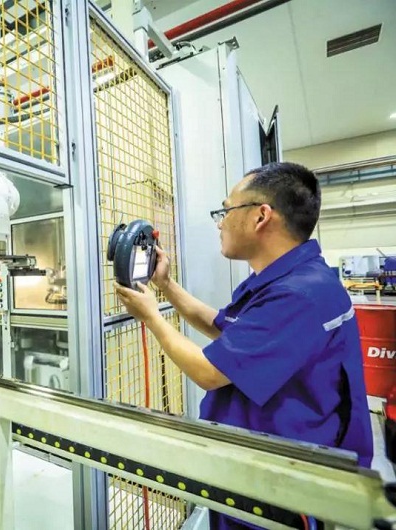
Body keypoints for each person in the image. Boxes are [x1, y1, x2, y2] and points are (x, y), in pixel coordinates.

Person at [115, 162, 374, 530]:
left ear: (260, 216)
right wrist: (166, 286)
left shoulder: (298, 295)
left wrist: (151, 317)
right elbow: (223, 328)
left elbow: (208, 372)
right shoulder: (288, 280)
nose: (220, 223)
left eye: (226, 210)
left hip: (280, 488)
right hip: (258, 466)